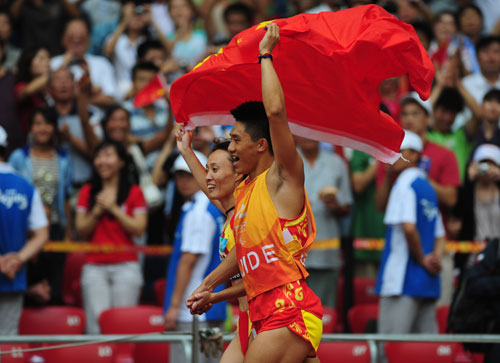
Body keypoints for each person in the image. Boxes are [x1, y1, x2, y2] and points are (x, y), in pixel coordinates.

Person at [187, 23, 323, 363]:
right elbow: (243, 252)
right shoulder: (245, 191)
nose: (230, 147)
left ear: (261, 145)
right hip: (259, 315)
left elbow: (275, 113)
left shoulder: (283, 178)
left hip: (289, 309)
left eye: (235, 140)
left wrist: (265, 55)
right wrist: (208, 287)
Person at [173, 129, 250, 361]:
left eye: (214, 170)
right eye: (207, 170)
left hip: (271, 320)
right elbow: (211, 189)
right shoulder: (230, 214)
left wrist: (209, 291)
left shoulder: (249, 215)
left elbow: (256, 282)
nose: (208, 177)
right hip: (247, 322)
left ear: (238, 175)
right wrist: (186, 151)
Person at [375, 130, 446, 361]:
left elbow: (408, 226)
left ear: (414, 155)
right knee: (426, 353)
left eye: (396, 152)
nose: (390, 158)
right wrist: (434, 258)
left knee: (390, 352)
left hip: (401, 282)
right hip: (427, 281)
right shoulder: (428, 188)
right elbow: (440, 234)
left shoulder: (404, 185)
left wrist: (421, 258)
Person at [75, 140, 147, 333]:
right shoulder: (87, 192)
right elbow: (81, 229)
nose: (101, 161)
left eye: (108, 155)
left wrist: (114, 209)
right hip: (94, 267)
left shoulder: (134, 192)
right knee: (96, 327)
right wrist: (97, 211)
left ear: (121, 161)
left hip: (126, 266)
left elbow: (139, 228)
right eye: (98, 156)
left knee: (123, 326)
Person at [163, 151, 226, 363]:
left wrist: (173, 307)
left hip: (191, 312)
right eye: (180, 176)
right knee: (212, 359)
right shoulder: (211, 207)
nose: (183, 181)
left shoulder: (198, 211)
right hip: (211, 309)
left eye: (190, 175)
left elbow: (188, 261)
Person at [0, 125, 49, 334]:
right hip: (13, 276)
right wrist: (17, 259)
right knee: (6, 344)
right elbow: (42, 234)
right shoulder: (25, 186)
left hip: (11, 275)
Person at [296, 136, 352, 309]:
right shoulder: (283, 161)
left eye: (311, 132)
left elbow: (346, 208)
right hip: (294, 252)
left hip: (327, 250)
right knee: (292, 312)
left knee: (325, 311)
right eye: (302, 132)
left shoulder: (336, 163)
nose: (307, 136)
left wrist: (334, 205)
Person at [50, 18, 117, 107]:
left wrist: (79, 98)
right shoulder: (54, 63)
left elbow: (111, 98)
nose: (76, 39)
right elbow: (49, 93)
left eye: (81, 37)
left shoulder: (102, 63)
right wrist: (92, 92)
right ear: (63, 39)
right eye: (71, 37)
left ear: (89, 40)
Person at [14, 47, 51, 141]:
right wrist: (50, 74)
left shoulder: (49, 89)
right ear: (29, 62)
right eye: (41, 58)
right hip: (29, 142)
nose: (47, 62)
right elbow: (27, 91)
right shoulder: (20, 86)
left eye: (48, 58)